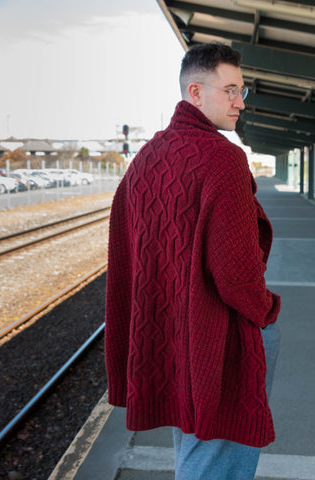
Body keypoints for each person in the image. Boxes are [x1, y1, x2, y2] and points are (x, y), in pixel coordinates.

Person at [105, 42, 281, 480]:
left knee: (196, 447)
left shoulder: (145, 158)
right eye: (231, 90)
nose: (241, 102)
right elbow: (236, 275)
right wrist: (266, 312)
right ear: (196, 93)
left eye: (243, 90)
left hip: (169, 334)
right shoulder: (223, 158)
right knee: (219, 455)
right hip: (219, 334)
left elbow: (126, 256)